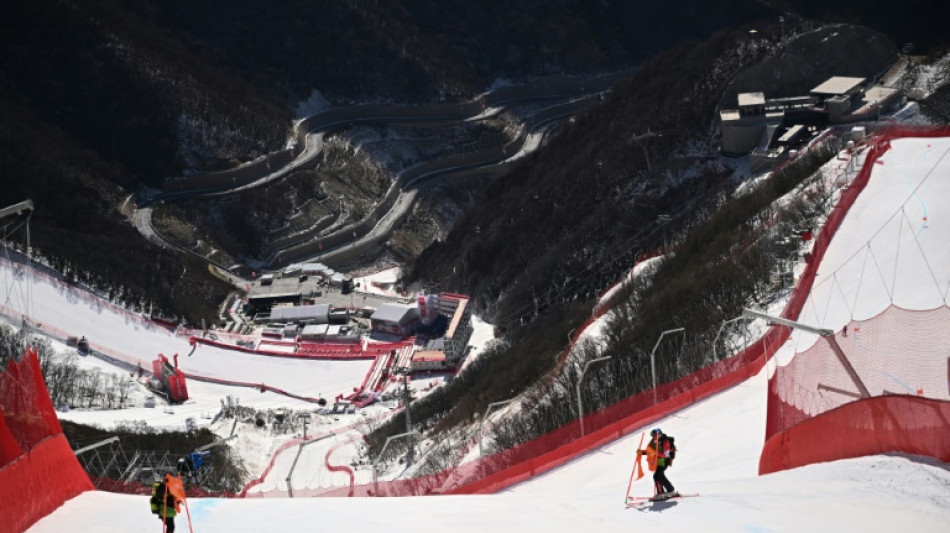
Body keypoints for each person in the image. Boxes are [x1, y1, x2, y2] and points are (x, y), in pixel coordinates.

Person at [639, 428, 677, 499]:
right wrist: (641, 452)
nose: (653, 437)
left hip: (664, 462)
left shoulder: (665, 442)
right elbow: (649, 451)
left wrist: (656, 453)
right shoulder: (653, 441)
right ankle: (670, 490)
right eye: (652, 436)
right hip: (657, 462)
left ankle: (660, 493)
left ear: (660, 435)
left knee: (656, 476)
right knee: (661, 476)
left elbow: (665, 455)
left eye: (655, 436)